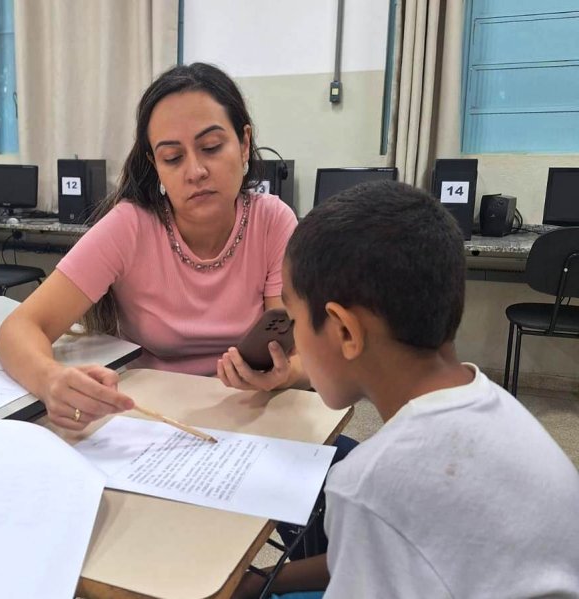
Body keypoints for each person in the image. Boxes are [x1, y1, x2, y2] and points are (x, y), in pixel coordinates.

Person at [235, 181, 579, 598]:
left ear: (345, 330)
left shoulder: (369, 485)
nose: (294, 343)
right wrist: (266, 582)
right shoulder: (496, 404)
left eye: (293, 319)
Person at [0, 62, 307, 431]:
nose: (195, 171)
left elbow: (300, 352)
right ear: (155, 165)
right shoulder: (130, 226)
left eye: (211, 146)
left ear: (243, 144)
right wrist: (49, 381)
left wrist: (281, 377)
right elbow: (20, 327)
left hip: (253, 413)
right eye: (172, 157)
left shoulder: (273, 222)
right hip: (153, 420)